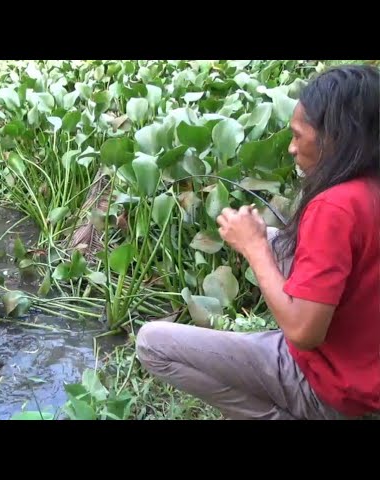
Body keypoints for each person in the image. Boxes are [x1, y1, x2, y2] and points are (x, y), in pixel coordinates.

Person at [135, 63, 380, 420]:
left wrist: (253, 248)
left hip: (335, 389)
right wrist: (261, 238)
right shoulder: (368, 188)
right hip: (369, 363)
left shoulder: (336, 206)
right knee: (275, 238)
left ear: (337, 136)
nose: (293, 149)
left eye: (298, 135)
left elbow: (303, 333)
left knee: (152, 343)